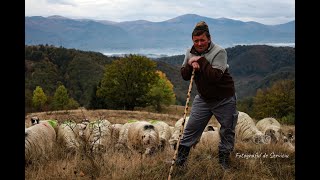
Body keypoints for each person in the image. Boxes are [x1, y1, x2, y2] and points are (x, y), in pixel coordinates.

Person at [176, 21, 239, 170]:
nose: (199, 44)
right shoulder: (189, 51)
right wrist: (190, 64)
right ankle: (180, 160)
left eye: (202, 40)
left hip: (224, 99)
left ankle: (223, 161)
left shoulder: (220, 52)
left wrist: (200, 60)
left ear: (209, 39)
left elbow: (215, 76)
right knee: (191, 128)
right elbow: (184, 75)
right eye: (196, 41)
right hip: (203, 99)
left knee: (227, 129)